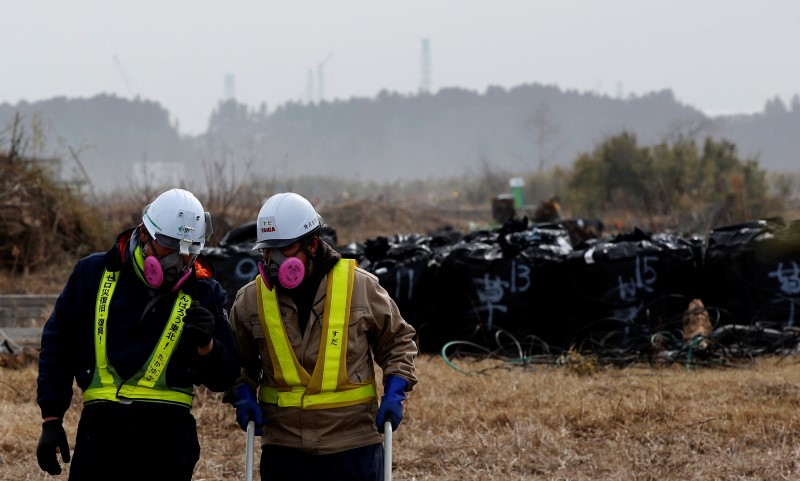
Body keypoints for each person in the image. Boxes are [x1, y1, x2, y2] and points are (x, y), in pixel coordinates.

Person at [36, 188, 241, 480]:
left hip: (168, 443)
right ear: (144, 234)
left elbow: (225, 376)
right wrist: (52, 418)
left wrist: (208, 346)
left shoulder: (204, 292)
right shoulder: (94, 274)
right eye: (170, 246)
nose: (180, 260)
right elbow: (58, 344)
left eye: (190, 250)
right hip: (101, 437)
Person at [224, 192, 418, 481]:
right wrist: (242, 395)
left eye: (283, 249)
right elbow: (236, 358)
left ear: (312, 244)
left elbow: (398, 341)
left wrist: (395, 391)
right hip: (284, 447)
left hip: (353, 445)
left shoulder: (360, 287)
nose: (272, 260)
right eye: (266, 251)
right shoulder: (250, 299)